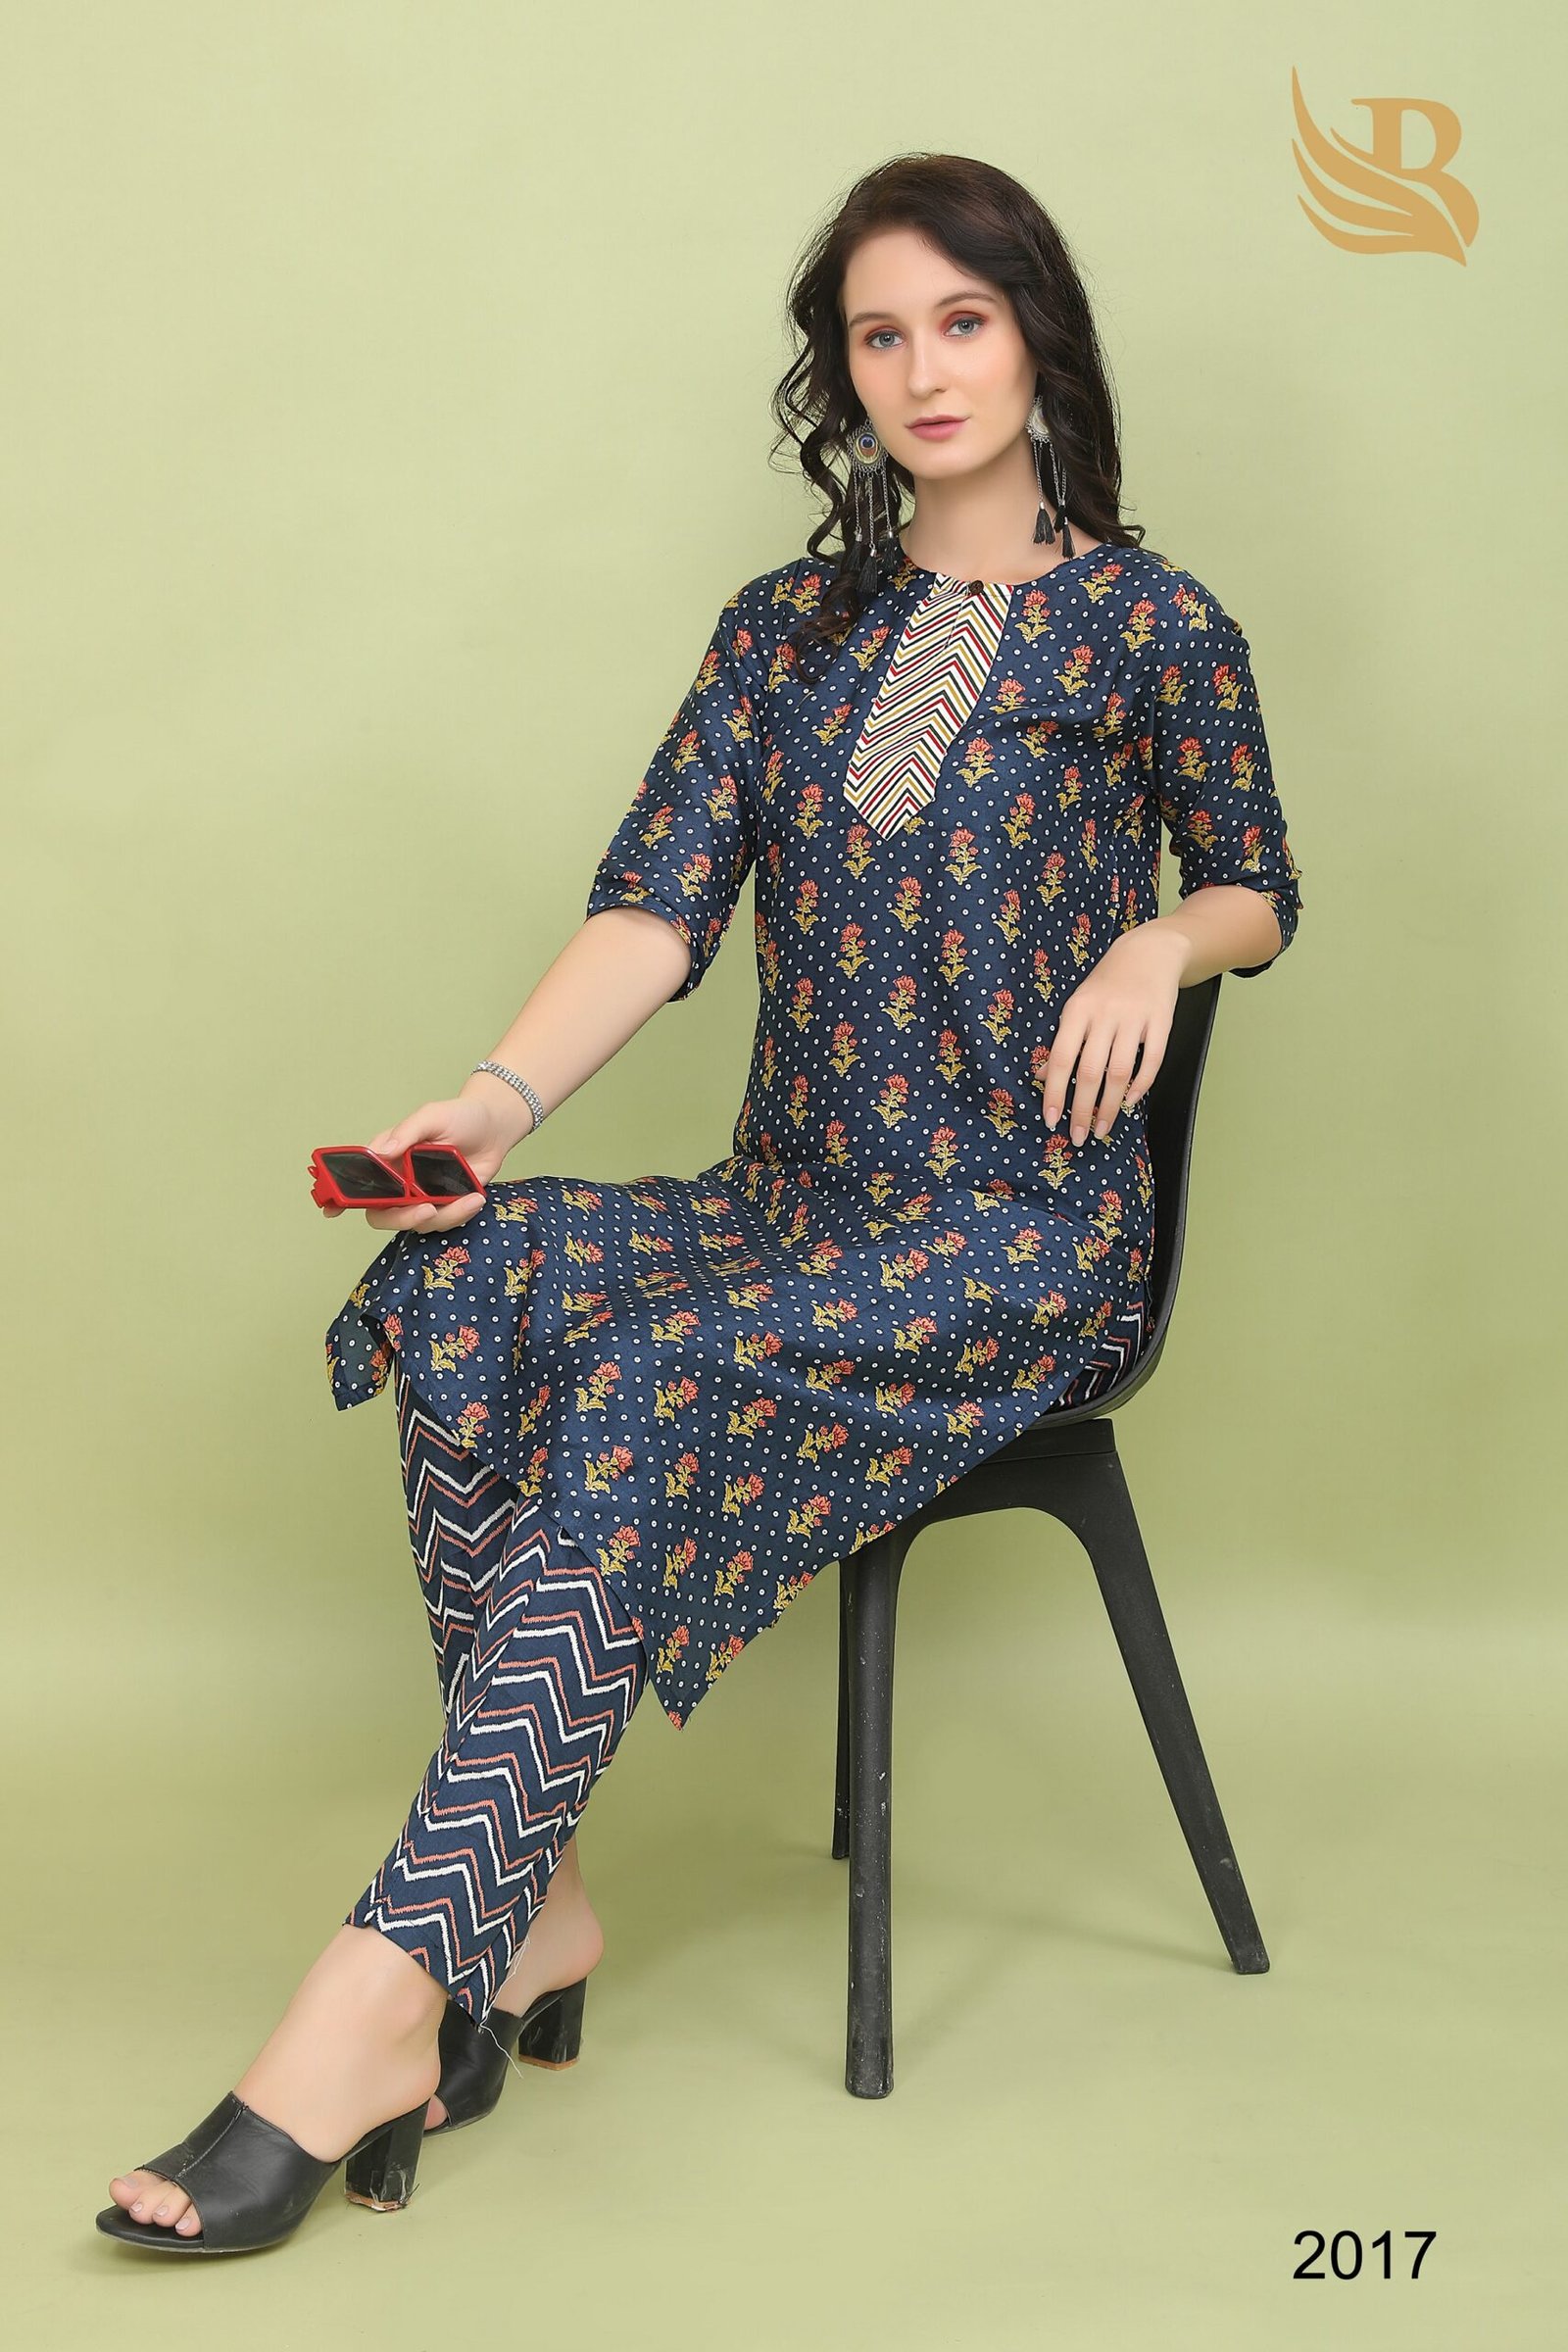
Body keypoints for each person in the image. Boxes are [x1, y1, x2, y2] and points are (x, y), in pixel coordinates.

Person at [98, 150, 1302, 2255]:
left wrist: (1158, 942)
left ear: (1036, 334)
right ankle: (534, 1898)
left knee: (648, 1375)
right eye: (878, 335)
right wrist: (486, 1107)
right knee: (460, 1280)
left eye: (961, 320)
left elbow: (1256, 883)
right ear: (842, 373)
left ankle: (376, 1992)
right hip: (796, 1202)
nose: (923, 369)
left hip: (1019, 1235)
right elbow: (655, 914)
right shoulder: (785, 633)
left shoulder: (1153, 626)